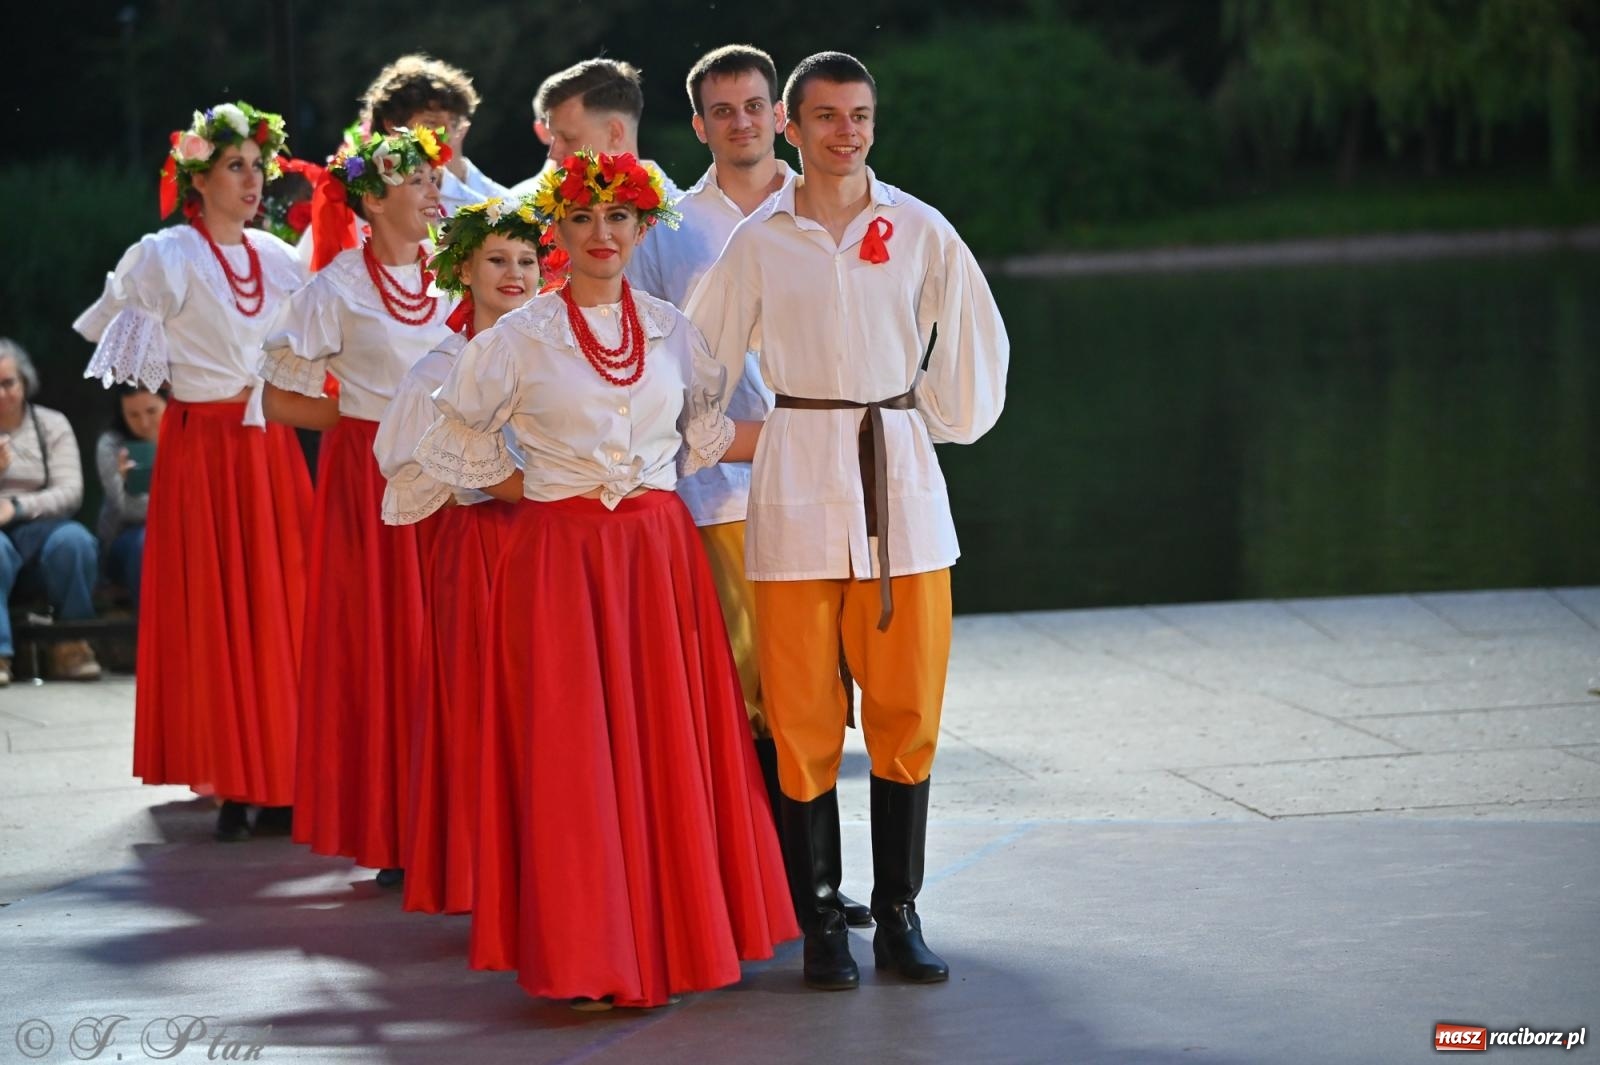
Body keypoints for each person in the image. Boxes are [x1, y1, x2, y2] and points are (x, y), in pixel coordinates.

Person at [416, 149, 796, 1008]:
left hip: (657, 556)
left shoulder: (673, 330)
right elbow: (454, 439)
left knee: (667, 742)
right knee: (573, 752)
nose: (601, 233)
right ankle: (587, 953)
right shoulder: (516, 338)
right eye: (583, 216)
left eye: (618, 216)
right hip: (559, 559)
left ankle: (676, 939)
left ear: (640, 225)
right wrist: (544, 492)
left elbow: (704, 434)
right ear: (556, 225)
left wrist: (828, 430)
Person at [686, 52, 1010, 990]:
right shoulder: (758, 240)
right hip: (794, 483)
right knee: (799, 711)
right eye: (826, 116)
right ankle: (822, 920)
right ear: (792, 127)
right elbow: (700, 353)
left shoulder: (918, 228)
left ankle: (900, 914)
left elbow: (975, 336)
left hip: (898, 484)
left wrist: (925, 419)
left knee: (907, 705)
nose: (846, 132)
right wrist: (708, 434)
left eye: (859, 114)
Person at [627, 43, 873, 928]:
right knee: (752, 689)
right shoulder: (667, 230)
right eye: (722, 110)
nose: (742, 122)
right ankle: (776, 888)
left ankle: (819, 883)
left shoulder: (828, 205)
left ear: (781, 116)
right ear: (699, 126)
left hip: (831, 485)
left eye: (755, 106)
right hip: (724, 491)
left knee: (824, 684)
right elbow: (654, 360)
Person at [75, 102, 312, 839]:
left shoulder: (277, 256)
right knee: (217, 609)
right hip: (204, 447)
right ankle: (236, 776)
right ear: (198, 180)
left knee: (282, 605)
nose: (252, 179)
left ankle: (285, 773)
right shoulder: (167, 254)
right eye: (235, 166)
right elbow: (116, 330)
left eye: (257, 166)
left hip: (268, 444)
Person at [261, 125, 456, 884]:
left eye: (435, 179)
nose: (435, 192)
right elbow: (279, 398)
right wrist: (362, 422)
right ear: (372, 200)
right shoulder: (337, 285)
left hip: (456, 472)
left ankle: (462, 821)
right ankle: (400, 829)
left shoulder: (458, 268)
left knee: (453, 641)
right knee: (390, 644)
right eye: (418, 181)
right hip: (373, 477)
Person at [371, 194, 541, 914]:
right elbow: (402, 461)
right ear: (463, 270)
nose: (515, 273)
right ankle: (482, 864)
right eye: (497, 259)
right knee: (480, 699)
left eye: (527, 259)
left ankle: (547, 855)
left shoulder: (559, 352)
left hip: (554, 543)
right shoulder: (439, 367)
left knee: (547, 703)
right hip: (480, 545)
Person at [0, 340, 102, 686]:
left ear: (24, 382)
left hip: (40, 525)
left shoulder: (51, 424)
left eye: (8, 383)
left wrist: (16, 507)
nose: (2, 394)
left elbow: (71, 491)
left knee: (75, 541)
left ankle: (71, 646)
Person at [360, 54, 510, 215]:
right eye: (432, 122)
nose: (447, 132)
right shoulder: (356, 200)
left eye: (453, 123)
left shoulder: (488, 210)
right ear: (392, 124)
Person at [93, 385, 168, 608]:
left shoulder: (188, 433)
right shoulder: (112, 444)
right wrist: (123, 484)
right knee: (147, 543)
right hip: (127, 535)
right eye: (133, 415)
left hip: (185, 530)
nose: (144, 423)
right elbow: (124, 508)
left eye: (151, 411)